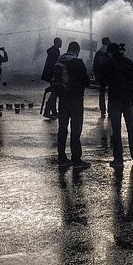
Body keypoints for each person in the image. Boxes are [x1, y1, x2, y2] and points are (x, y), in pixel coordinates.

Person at [101, 42, 133, 168]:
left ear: (110, 52)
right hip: (128, 100)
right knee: (132, 129)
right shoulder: (128, 61)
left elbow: (103, 81)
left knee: (116, 130)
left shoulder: (108, 63)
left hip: (115, 99)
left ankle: (118, 159)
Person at [56, 41, 90, 170]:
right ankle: (76, 159)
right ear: (77, 50)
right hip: (76, 99)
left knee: (62, 129)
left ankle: (62, 158)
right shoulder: (78, 62)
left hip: (63, 99)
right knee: (75, 130)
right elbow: (86, 81)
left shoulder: (60, 60)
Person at [41, 37, 62, 119]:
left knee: (54, 92)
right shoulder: (55, 51)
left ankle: (53, 111)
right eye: (60, 42)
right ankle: (47, 111)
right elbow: (55, 65)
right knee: (55, 93)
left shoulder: (53, 51)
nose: (61, 44)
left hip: (50, 75)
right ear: (57, 42)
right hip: (53, 75)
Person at [92, 36, 111, 117]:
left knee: (102, 93)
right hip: (109, 75)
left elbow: (95, 65)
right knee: (111, 93)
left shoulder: (98, 53)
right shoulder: (110, 53)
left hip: (100, 76)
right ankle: (110, 110)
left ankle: (103, 110)